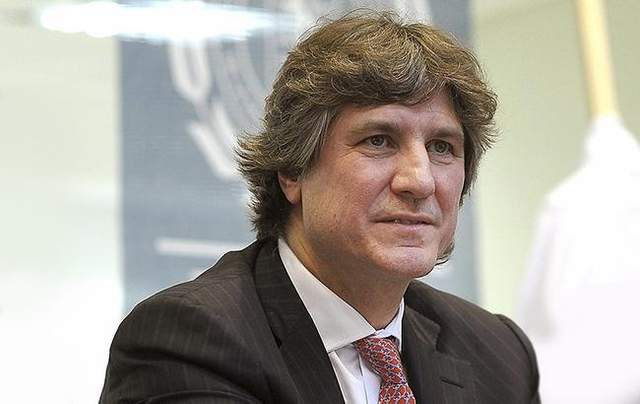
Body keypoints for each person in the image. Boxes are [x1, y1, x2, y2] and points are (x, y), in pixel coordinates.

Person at [100, 10, 540, 404]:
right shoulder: (190, 341)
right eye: (379, 141)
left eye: (442, 147)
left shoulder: (499, 353)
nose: (420, 181)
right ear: (293, 171)